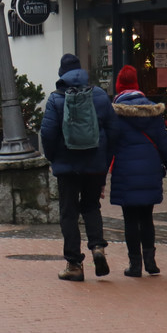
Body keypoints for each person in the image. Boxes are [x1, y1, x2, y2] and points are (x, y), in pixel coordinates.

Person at [40, 53, 115, 282]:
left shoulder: (55, 99)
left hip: (67, 166)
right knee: (91, 206)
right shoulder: (100, 96)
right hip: (95, 165)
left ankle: (74, 264)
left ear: (62, 74)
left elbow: (47, 133)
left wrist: (54, 159)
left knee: (69, 213)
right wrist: (105, 161)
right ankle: (98, 247)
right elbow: (113, 132)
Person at [108, 65, 167, 277]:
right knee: (147, 217)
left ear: (119, 86)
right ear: (137, 85)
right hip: (150, 170)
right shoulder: (153, 110)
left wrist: (100, 177)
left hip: (125, 172)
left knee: (130, 219)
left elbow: (109, 146)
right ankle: (151, 263)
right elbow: (164, 144)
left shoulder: (115, 113)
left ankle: (135, 265)